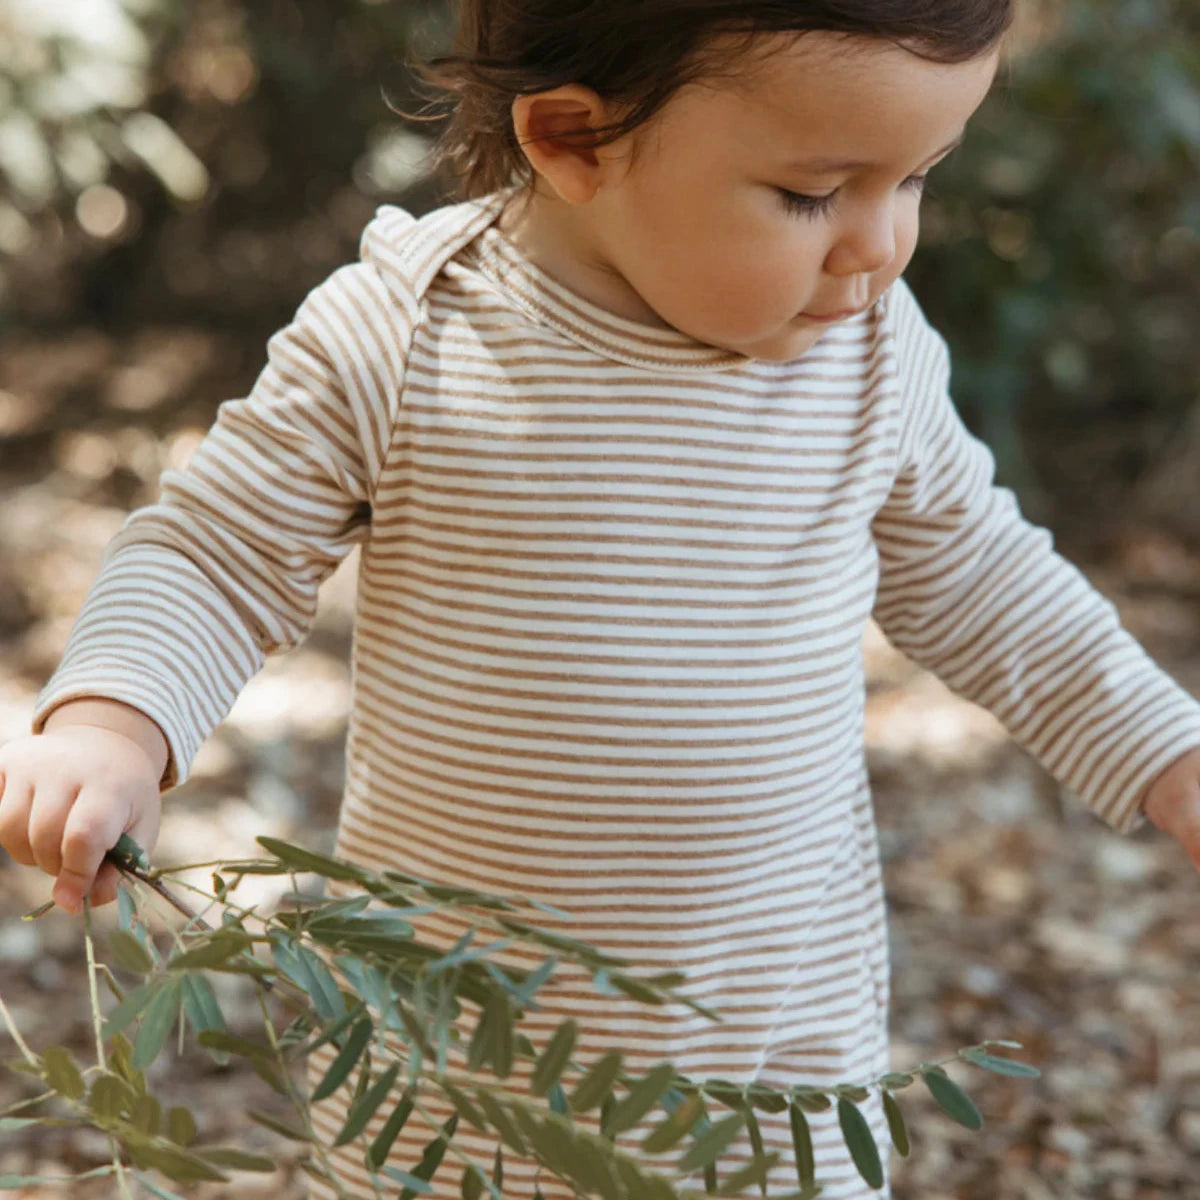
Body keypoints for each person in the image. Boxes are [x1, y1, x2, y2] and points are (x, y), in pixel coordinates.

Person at [3, 1, 1200, 1197]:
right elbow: (220, 546)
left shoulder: (872, 357)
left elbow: (992, 582)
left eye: (919, 179)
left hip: (772, 1067)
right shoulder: (409, 332)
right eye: (810, 194)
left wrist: (1168, 751)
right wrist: (115, 721)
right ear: (575, 139)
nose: (880, 246)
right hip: (448, 1062)